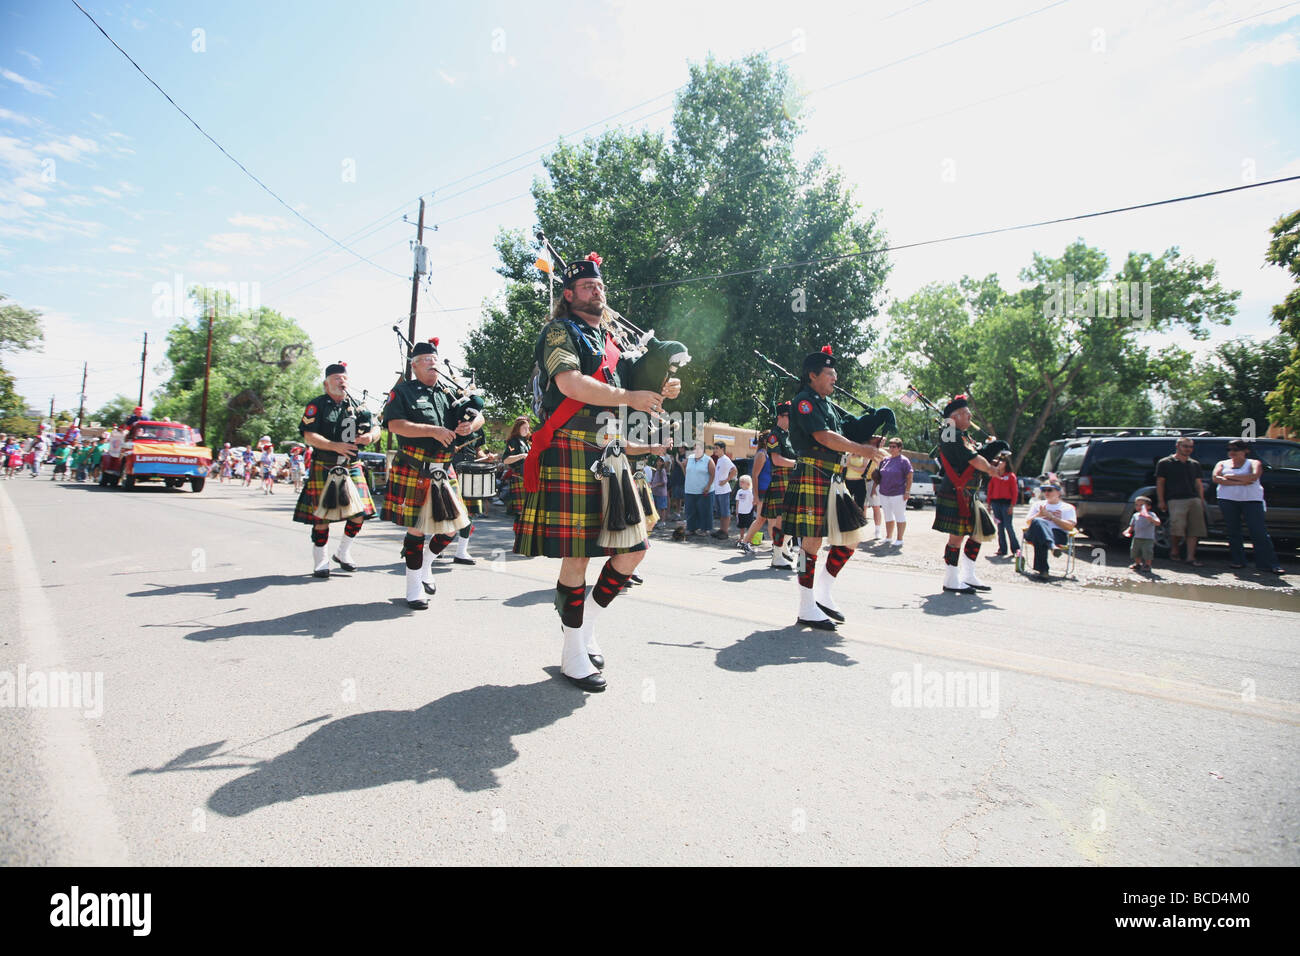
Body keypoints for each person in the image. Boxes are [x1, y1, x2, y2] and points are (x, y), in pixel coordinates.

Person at [513, 251, 677, 692]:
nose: (596, 291)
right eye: (587, 287)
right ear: (568, 295)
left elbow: (632, 385)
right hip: (572, 448)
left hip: (612, 451)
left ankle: (584, 630)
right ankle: (571, 653)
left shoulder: (611, 340)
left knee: (634, 549)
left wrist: (661, 385)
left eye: (600, 286)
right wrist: (630, 397)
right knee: (579, 556)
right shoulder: (558, 332)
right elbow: (569, 384)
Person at [782, 346, 886, 628]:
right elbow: (823, 436)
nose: (835, 378)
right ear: (813, 375)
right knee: (811, 543)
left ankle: (823, 593)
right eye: (829, 373)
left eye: (835, 373)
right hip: (814, 473)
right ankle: (805, 604)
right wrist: (862, 450)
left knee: (851, 538)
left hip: (833, 478)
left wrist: (873, 426)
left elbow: (845, 431)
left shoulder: (825, 404)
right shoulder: (804, 401)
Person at [384, 337, 484, 608]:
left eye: (435, 360)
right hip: (415, 467)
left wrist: (470, 426)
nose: (432, 365)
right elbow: (394, 425)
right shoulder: (403, 392)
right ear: (414, 366)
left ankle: (427, 562)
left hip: (444, 468)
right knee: (417, 530)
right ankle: (413, 588)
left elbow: (480, 416)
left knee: (456, 527)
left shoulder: (448, 393)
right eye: (426, 361)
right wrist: (431, 430)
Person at [293, 361, 381, 578]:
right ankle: (321, 560)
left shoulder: (358, 406)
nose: (341, 382)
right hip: (325, 463)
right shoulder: (317, 405)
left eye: (344, 378)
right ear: (326, 384)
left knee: (359, 513)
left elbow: (377, 427)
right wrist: (334, 445)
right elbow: (308, 435)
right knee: (322, 517)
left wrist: (370, 436)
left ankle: (343, 552)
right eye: (336, 379)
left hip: (351, 465)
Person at [932, 395, 1006, 594]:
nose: (970, 415)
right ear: (954, 417)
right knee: (956, 538)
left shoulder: (962, 436)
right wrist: (992, 469)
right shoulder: (950, 433)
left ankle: (968, 575)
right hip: (956, 492)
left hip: (969, 493)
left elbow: (976, 454)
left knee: (979, 533)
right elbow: (973, 460)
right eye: (965, 413)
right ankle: (950, 578)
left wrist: (992, 448)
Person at [1213, 439, 1283, 574]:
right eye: (1230, 449)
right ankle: (1238, 561)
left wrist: (1229, 477)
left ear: (1246, 451)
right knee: (1234, 532)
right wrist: (1241, 481)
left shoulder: (1253, 463)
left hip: (1251, 500)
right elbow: (1216, 478)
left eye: (1236, 449)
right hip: (1227, 500)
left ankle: (1269, 564)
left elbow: (1253, 477)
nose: (1232, 452)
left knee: (1259, 532)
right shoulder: (1222, 463)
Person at [757, 403, 798, 568]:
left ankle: (782, 548)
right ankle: (777, 555)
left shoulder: (789, 435)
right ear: (780, 416)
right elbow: (776, 460)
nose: (792, 419)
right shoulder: (774, 436)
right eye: (789, 416)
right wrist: (797, 464)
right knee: (781, 520)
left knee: (792, 520)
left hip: (791, 481)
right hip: (781, 480)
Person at [1155, 437, 1206, 566]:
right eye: (1185, 446)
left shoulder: (1195, 464)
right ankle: (1174, 551)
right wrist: (1161, 500)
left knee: (1195, 529)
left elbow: (1198, 484)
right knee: (1177, 528)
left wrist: (1201, 500)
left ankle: (1190, 557)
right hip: (1175, 499)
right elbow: (1160, 482)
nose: (1188, 449)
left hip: (1194, 499)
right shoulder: (1165, 462)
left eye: (1190, 447)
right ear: (1178, 446)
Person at [1022, 482, 1077, 578]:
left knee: (1041, 537)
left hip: (1056, 534)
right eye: (1044, 490)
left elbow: (1070, 527)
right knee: (1038, 522)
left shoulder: (1067, 507)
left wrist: (1051, 517)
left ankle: (1043, 571)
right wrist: (1039, 514)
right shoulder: (1038, 505)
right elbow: (1028, 523)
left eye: (1050, 490)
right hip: (1034, 532)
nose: (1046, 492)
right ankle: (1051, 546)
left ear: (1059, 492)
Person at [875, 437, 913, 548]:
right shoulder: (885, 460)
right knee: (887, 515)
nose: (891, 448)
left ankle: (900, 539)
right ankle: (888, 537)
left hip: (898, 493)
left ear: (900, 448)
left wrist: (907, 491)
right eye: (890, 446)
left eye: (894, 446)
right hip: (884, 492)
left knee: (899, 515)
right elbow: (879, 475)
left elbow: (909, 477)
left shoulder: (904, 460)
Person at [986, 452, 1021, 557]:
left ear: (1006, 463)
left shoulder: (1011, 476)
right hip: (996, 503)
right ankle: (1002, 549)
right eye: (999, 461)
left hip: (1006, 504)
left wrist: (1012, 505)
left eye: (1002, 461)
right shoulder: (994, 475)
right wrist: (989, 504)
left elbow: (1014, 492)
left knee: (1008, 526)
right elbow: (990, 490)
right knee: (1000, 527)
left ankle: (1015, 549)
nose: (999, 463)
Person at [500, 416, 531, 516]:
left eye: (528, 428)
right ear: (518, 428)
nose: (527, 430)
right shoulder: (513, 441)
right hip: (519, 475)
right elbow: (506, 460)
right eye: (524, 428)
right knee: (521, 511)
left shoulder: (527, 442)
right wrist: (522, 455)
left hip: (528, 476)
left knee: (528, 509)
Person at [683, 440, 715, 535]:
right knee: (690, 510)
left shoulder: (708, 460)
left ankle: (705, 529)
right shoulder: (690, 458)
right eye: (694, 448)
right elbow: (685, 468)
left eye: (698, 448)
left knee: (704, 510)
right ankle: (691, 528)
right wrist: (688, 478)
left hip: (704, 490)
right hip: (690, 489)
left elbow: (713, 474)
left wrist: (708, 486)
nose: (695, 450)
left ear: (702, 449)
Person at [1123, 495, 1160, 572]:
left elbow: (1158, 523)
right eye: (1137, 505)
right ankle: (1137, 563)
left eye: (1142, 505)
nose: (1138, 507)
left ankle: (1147, 564)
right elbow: (1132, 526)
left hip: (1148, 538)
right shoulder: (1135, 515)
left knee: (1147, 551)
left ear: (1149, 506)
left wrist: (1150, 518)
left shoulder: (1151, 514)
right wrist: (1127, 531)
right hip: (1137, 537)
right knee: (1135, 551)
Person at [710, 441, 737, 540]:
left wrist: (726, 480)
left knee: (725, 512)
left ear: (722, 449)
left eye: (717, 448)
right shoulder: (719, 459)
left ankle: (725, 532)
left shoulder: (725, 459)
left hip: (724, 490)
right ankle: (721, 530)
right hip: (718, 490)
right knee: (721, 512)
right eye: (714, 448)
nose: (715, 450)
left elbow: (734, 470)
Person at [734, 474, 756, 552]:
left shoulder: (750, 492)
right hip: (741, 511)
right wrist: (737, 510)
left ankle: (749, 539)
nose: (741, 483)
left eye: (743, 482)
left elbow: (753, 501)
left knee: (750, 526)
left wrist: (753, 509)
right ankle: (741, 538)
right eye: (740, 482)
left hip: (748, 511)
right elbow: (737, 501)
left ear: (748, 484)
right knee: (741, 526)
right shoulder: (739, 491)